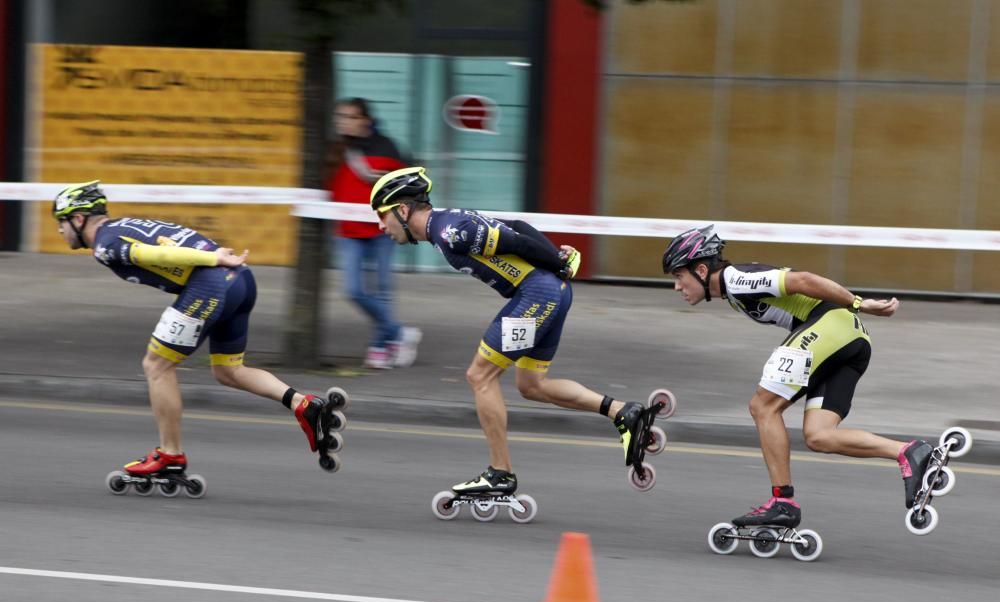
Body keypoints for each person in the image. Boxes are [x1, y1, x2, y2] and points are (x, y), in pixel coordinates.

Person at [369, 166, 649, 496]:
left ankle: (500, 473)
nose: (380, 225)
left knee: (480, 376)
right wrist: (556, 257)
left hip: (537, 295)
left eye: (382, 215)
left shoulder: (450, 232)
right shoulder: (448, 223)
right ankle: (623, 413)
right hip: (547, 293)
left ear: (402, 210)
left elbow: (514, 238)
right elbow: (514, 226)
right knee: (532, 386)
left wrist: (557, 263)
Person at [53, 180, 339, 481]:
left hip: (211, 282)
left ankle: (170, 456)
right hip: (240, 279)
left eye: (61, 223)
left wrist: (213, 258)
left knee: (156, 366)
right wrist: (216, 258)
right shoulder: (124, 225)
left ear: (79, 218)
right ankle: (304, 405)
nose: (60, 231)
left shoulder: (105, 244)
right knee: (228, 371)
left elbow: (152, 255)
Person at [662, 225, 933, 529]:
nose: (676, 287)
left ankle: (783, 502)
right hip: (850, 341)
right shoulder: (732, 291)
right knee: (819, 436)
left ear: (700, 269)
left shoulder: (735, 279)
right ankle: (909, 453)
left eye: (678, 276)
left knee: (763, 406)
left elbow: (803, 280)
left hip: (832, 326)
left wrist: (859, 303)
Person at [327, 97, 421, 370]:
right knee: (354, 290)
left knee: (382, 290)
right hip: (347, 232)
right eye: (340, 117)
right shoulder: (336, 150)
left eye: (350, 117)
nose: (343, 122)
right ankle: (399, 333)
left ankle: (381, 345)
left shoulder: (387, 148)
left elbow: (411, 183)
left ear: (365, 120)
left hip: (383, 230)